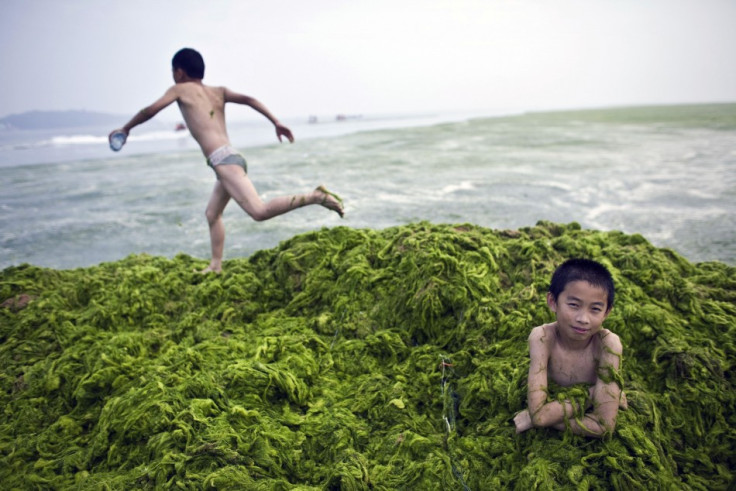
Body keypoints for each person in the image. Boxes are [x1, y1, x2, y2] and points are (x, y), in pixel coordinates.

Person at [109, 48, 344, 273]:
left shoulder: (179, 90)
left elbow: (150, 110)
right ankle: (216, 265)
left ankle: (315, 196)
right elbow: (250, 99)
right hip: (231, 158)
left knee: (259, 212)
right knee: (212, 214)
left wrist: (126, 128)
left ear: (179, 71)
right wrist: (276, 122)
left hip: (223, 161)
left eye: (173, 71)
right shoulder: (218, 91)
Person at [513, 258, 627, 438]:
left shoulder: (608, 345)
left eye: (595, 309)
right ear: (552, 302)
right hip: (566, 406)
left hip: (559, 410)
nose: (583, 318)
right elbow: (540, 417)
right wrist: (593, 393)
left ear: (607, 312)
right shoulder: (542, 337)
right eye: (574, 305)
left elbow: (604, 427)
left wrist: (546, 418)